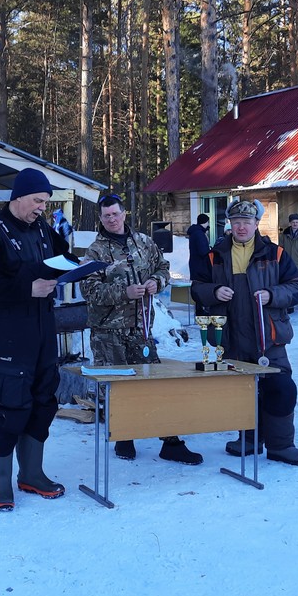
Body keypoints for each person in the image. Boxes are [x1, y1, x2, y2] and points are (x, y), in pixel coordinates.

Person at [0, 168, 70, 511]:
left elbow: (62, 256)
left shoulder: (43, 228)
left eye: (46, 202)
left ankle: (32, 473)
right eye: (38, 201)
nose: (42, 207)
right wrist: (26, 288)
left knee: (44, 395)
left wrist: (74, 266)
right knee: (8, 401)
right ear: (18, 197)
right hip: (9, 331)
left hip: (43, 326)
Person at [80, 194, 203, 465]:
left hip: (141, 329)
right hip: (108, 332)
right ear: (100, 219)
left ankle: (171, 442)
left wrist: (156, 283)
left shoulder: (144, 243)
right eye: (106, 215)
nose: (112, 219)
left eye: (115, 214)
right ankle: (125, 436)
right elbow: (87, 289)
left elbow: (163, 268)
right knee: (117, 389)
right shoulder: (95, 251)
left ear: (124, 214)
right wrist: (123, 292)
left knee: (156, 384)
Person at [190, 199, 298, 465]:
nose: (241, 227)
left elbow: (296, 287)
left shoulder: (275, 254)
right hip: (232, 337)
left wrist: (272, 294)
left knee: (281, 388)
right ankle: (249, 440)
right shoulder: (214, 256)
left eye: (247, 222)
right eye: (236, 222)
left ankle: (281, 446)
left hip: (270, 338)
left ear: (257, 223)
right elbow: (196, 287)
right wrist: (213, 291)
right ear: (229, 225)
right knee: (244, 391)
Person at [187, 213, 212, 316]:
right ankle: (202, 309)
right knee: (202, 286)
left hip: (195, 264)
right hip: (201, 265)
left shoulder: (195, 232)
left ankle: (199, 308)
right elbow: (203, 251)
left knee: (198, 285)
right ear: (205, 222)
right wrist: (210, 251)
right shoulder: (199, 234)